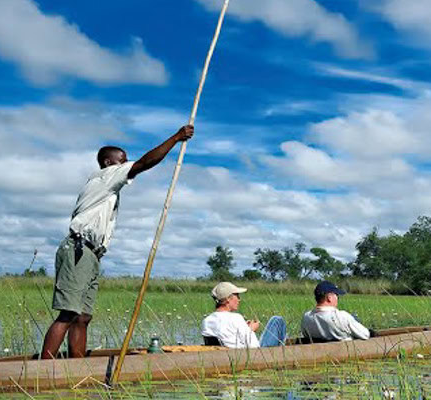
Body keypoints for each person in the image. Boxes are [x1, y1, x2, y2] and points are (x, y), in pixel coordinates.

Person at [40, 125, 195, 359]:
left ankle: (78, 366)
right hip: (78, 250)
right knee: (69, 313)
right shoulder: (104, 177)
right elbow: (144, 164)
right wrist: (176, 138)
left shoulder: (109, 187)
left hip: (91, 254)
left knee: (83, 317)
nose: (126, 165)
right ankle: (44, 369)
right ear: (108, 163)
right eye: (122, 161)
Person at [201, 281, 287, 348]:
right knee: (277, 320)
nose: (239, 300)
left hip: (225, 354)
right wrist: (251, 330)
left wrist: (245, 329)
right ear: (228, 299)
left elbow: (225, 338)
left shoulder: (206, 320)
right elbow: (254, 347)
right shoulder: (236, 318)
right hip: (249, 356)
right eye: (237, 296)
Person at [301, 281, 370, 342]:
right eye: (336, 295)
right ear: (329, 298)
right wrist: (354, 321)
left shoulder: (306, 317)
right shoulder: (341, 316)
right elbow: (365, 334)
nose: (337, 298)